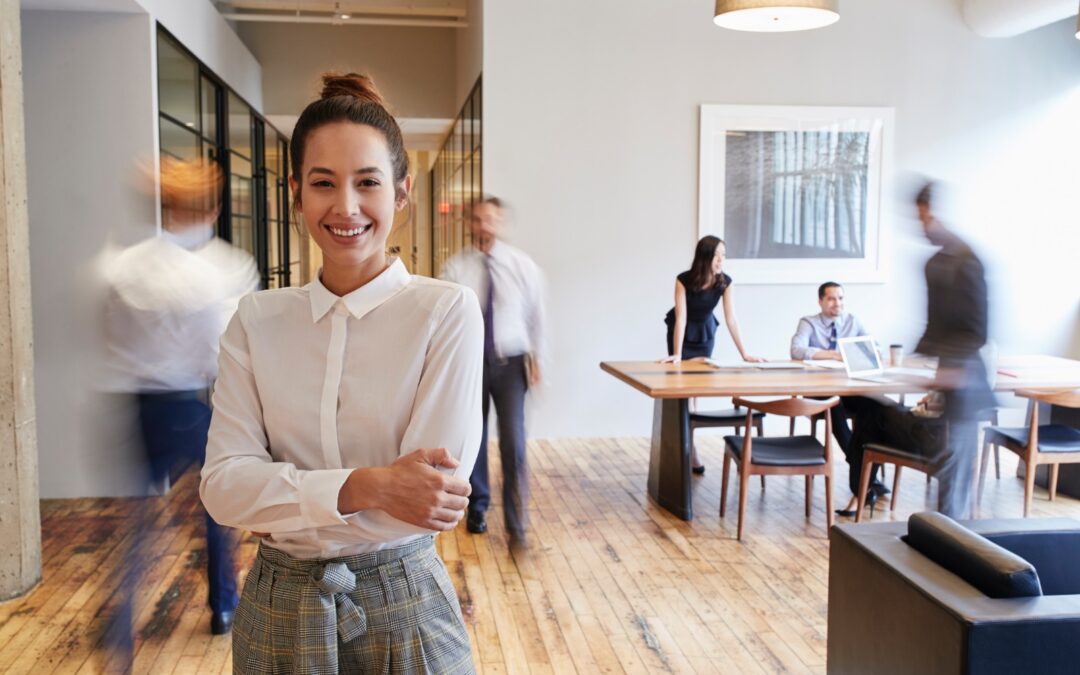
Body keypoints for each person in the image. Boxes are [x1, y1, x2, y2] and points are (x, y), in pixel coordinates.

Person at [200, 73, 482, 673]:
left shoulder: (445, 311)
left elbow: (431, 499)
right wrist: (373, 485)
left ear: (401, 192)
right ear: (296, 193)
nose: (346, 207)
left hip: (405, 603)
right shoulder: (257, 319)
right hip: (278, 607)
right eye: (323, 183)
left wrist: (282, 499)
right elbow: (224, 489)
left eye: (368, 182)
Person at [102, 156, 258, 645]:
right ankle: (223, 607)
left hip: (138, 407)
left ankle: (122, 620)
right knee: (216, 511)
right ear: (212, 210)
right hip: (192, 404)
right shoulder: (221, 271)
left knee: (137, 523)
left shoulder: (122, 266)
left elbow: (111, 339)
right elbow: (221, 351)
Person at [844, 181, 991, 519]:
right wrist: (914, 363)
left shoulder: (968, 262)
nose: (923, 227)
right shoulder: (934, 265)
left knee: (953, 486)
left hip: (964, 393)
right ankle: (867, 494)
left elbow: (978, 330)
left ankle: (950, 539)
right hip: (941, 395)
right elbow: (934, 327)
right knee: (869, 410)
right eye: (920, 219)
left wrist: (950, 372)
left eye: (926, 219)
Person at [441, 196, 546, 549]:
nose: (484, 225)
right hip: (471, 363)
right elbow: (446, 318)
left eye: (491, 219)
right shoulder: (456, 268)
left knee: (514, 442)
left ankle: (517, 523)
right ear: (469, 224)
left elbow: (536, 316)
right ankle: (478, 507)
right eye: (478, 219)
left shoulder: (522, 265)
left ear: (500, 224)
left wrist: (538, 359)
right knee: (474, 438)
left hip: (511, 363)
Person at [660, 235, 763, 473]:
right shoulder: (683, 280)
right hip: (682, 334)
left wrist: (745, 353)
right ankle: (688, 448)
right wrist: (677, 354)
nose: (720, 260)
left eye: (723, 255)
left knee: (695, 391)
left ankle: (690, 446)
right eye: (716, 255)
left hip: (705, 334)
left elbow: (731, 319)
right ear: (704, 257)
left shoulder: (725, 282)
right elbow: (681, 318)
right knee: (683, 391)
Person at [789, 282, 889, 512]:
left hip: (850, 388)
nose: (838, 304)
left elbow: (876, 348)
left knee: (874, 404)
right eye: (832, 299)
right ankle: (861, 467)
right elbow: (796, 350)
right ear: (821, 301)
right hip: (820, 390)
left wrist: (862, 352)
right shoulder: (809, 323)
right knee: (833, 404)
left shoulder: (853, 321)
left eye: (841, 298)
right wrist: (835, 355)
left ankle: (863, 472)